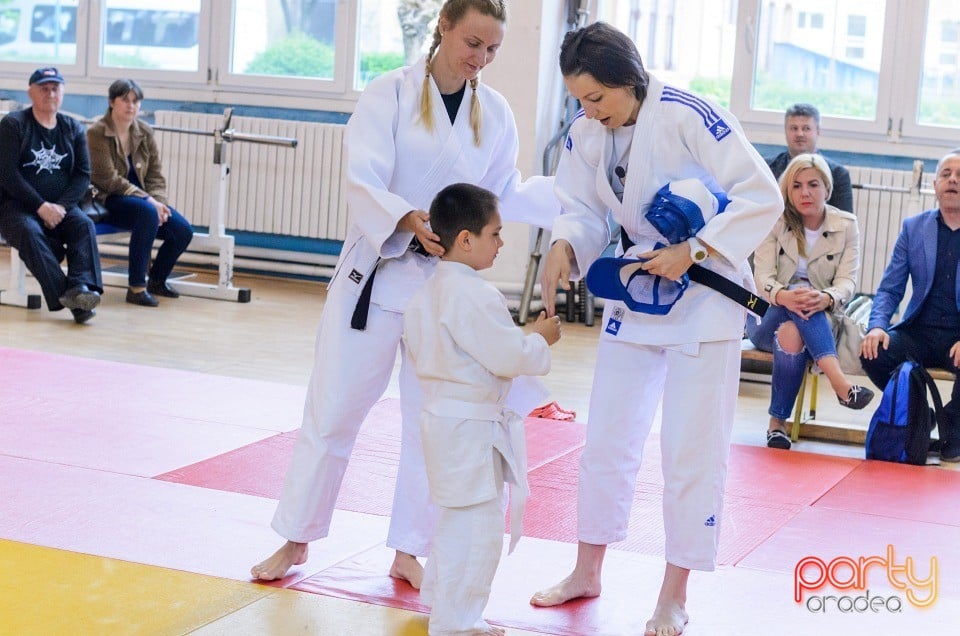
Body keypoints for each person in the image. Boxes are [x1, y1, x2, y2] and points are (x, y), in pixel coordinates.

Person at [251, 0, 557, 587]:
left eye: (492, 50)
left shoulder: (493, 112)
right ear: (443, 25)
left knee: (433, 422)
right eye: (472, 43)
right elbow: (362, 176)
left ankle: (409, 550)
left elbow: (499, 192)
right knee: (332, 410)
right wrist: (404, 218)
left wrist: (570, 211)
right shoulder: (387, 93)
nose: (480, 59)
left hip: (443, 289)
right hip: (378, 270)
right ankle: (295, 539)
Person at [528, 23, 782, 636]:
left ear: (627, 79)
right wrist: (565, 242)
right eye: (579, 100)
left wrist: (693, 250)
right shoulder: (587, 132)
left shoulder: (690, 113)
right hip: (637, 294)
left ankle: (674, 594)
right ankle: (587, 569)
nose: (587, 111)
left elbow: (762, 195)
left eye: (596, 97)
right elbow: (581, 208)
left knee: (689, 451)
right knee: (608, 440)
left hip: (705, 298)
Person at [404, 182, 560, 636]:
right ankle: (457, 621)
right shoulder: (475, 294)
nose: (501, 243)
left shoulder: (424, 294)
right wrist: (538, 338)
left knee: (455, 518)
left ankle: (439, 601)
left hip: (442, 419)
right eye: (495, 233)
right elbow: (508, 356)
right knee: (478, 529)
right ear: (466, 239)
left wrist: (523, 341)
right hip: (470, 426)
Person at [748, 153, 874, 451]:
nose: (805, 192)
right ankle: (841, 386)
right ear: (788, 191)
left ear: (827, 189)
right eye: (797, 186)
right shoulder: (775, 221)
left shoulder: (847, 225)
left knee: (793, 332)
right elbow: (761, 277)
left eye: (813, 185)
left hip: (816, 319)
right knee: (799, 303)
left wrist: (826, 296)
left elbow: (847, 282)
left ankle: (777, 426)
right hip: (766, 317)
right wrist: (785, 296)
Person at [860, 150, 960, 463]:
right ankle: (923, 415)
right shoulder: (913, 228)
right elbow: (890, 288)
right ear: (935, 184)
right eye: (946, 174)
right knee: (873, 351)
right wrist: (877, 325)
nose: (953, 180)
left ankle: (952, 429)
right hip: (918, 330)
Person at [0, 67, 102, 324]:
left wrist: (60, 208)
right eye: (44, 88)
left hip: (61, 207)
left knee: (83, 225)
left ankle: (80, 286)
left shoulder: (72, 128)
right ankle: (75, 301)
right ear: (30, 93)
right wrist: (40, 206)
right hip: (17, 207)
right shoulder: (14, 124)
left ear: (63, 93)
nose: (50, 93)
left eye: (55, 88)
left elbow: (82, 174)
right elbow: (8, 175)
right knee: (28, 230)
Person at [86, 79, 194, 307]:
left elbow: (155, 175)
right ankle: (136, 287)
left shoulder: (144, 132)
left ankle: (157, 280)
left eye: (135, 101)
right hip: (108, 199)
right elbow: (108, 179)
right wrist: (149, 202)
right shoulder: (96, 132)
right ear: (111, 102)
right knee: (146, 213)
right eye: (125, 100)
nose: (131, 105)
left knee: (182, 231)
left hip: (143, 201)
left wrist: (160, 203)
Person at [766, 103, 854, 213]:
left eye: (806, 128)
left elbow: (844, 222)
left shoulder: (838, 174)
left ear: (818, 132)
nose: (799, 134)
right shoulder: (767, 168)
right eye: (794, 128)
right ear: (785, 131)